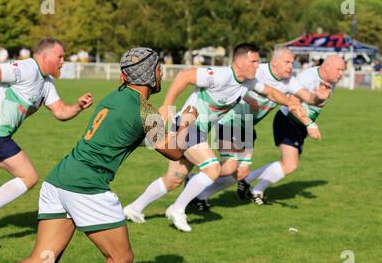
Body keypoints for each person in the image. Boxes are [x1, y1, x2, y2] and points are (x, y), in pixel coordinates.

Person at [0, 47, 196, 263]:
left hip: (59, 180)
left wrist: (160, 125)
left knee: (43, 260)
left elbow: (126, 133)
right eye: (159, 70)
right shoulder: (145, 111)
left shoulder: (113, 97)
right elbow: (174, 152)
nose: (162, 75)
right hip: (87, 186)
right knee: (120, 259)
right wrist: (187, 123)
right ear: (150, 75)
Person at [123, 43, 315, 232]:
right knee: (212, 167)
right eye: (254, 61)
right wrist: (167, 104)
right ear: (240, 62)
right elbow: (184, 76)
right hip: (187, 125)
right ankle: (177, 209)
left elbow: (272, 93)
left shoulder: (249, 82)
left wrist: (290, 102)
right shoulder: (220, 75)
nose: (258, 66)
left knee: (174, 179)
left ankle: (134, 208)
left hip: (199, 131)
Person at [0, 38, 93, 244]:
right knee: (29, 176)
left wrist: (78, 106)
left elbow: (60, 111)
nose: (63, 61)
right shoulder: (27, 68)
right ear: (45, 56)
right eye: (60, 57)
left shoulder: (46, 83)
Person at [190, 48, 331, 209]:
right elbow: (235, 81)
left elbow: (306, 98)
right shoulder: (258, 71)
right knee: (229, 167)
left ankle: (201, 194)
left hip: (248, 125)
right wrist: (248, 97)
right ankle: (196, 180)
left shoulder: (289, 82)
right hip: (229, 120)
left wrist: (318, 98)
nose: (291, 66)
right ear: (274, 62)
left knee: (241, 173)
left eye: (292, 62)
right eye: (287, 62)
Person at [234, 55, 346, 204]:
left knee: (287, 164)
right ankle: (253, 187)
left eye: (343, 70)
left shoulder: (331, 82)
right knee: (290, 164)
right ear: (326, 67)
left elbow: (316, 103)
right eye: (339, 69)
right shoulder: (308, 77)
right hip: (288, 121)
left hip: (299, 125)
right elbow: (292, 103)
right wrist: (309, 124)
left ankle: (251, 185)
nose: (341, 74)